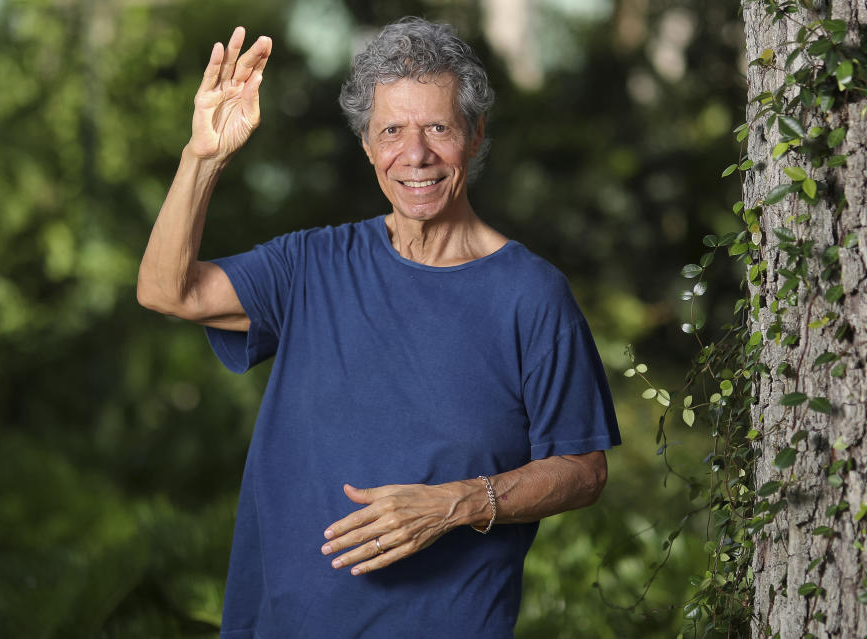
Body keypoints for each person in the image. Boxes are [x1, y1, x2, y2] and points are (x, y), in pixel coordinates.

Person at [137, 16, 620, 639]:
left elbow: (584, 468)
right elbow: (165, 290)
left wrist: (456, 504)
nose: (414, 153)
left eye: (437, 128)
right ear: (367, 146)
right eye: (391, 130)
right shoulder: (310, 265)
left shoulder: (531, 294)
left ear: (474, 137)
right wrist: (202, 157)